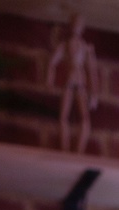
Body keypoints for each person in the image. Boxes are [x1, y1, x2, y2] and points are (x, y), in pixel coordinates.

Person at [46, 13, 100, 153]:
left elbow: (92, 71)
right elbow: (52, 63)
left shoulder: (86, 48)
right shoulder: (64, 45)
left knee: (84, 118)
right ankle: (65, 149)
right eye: (74, 23)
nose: (76, 26)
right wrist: (49, 81)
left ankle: (79, 151)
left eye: (79, 24)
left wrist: (94, 93)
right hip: (69, 82)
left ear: (83, 27)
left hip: (80, 83)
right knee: (63, 116)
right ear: (71, 26)